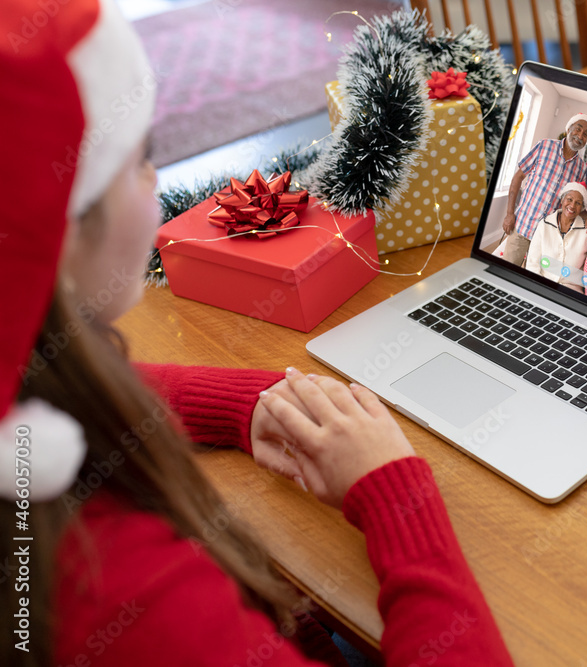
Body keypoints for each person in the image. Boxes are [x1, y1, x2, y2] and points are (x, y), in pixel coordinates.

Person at [0, 3, 513, 667]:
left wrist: (246, 403)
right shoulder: (133, 601)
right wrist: (396, 493)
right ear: (57, 231)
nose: (156, 178)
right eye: (141, 158)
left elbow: (64, 390)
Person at [501, 113, 587, 268]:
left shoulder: (582, 169)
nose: (580, 136)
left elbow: (576, 204)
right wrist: (510, 213)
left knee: (531, 281)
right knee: (505, 274)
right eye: (578, 129)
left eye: (585, 134)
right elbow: (518, 177)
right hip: (522, 226)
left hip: (547, 238)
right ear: (569, 128)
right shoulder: (544, 146)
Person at [525, 183, 587, 291]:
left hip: (571, 290)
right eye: (569, 199)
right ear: (562, 200)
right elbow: (532, 262)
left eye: (578, 203)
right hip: (542, 283)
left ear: (582, 208)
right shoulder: (544, 224)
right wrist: (537, 288)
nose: (572, 206)